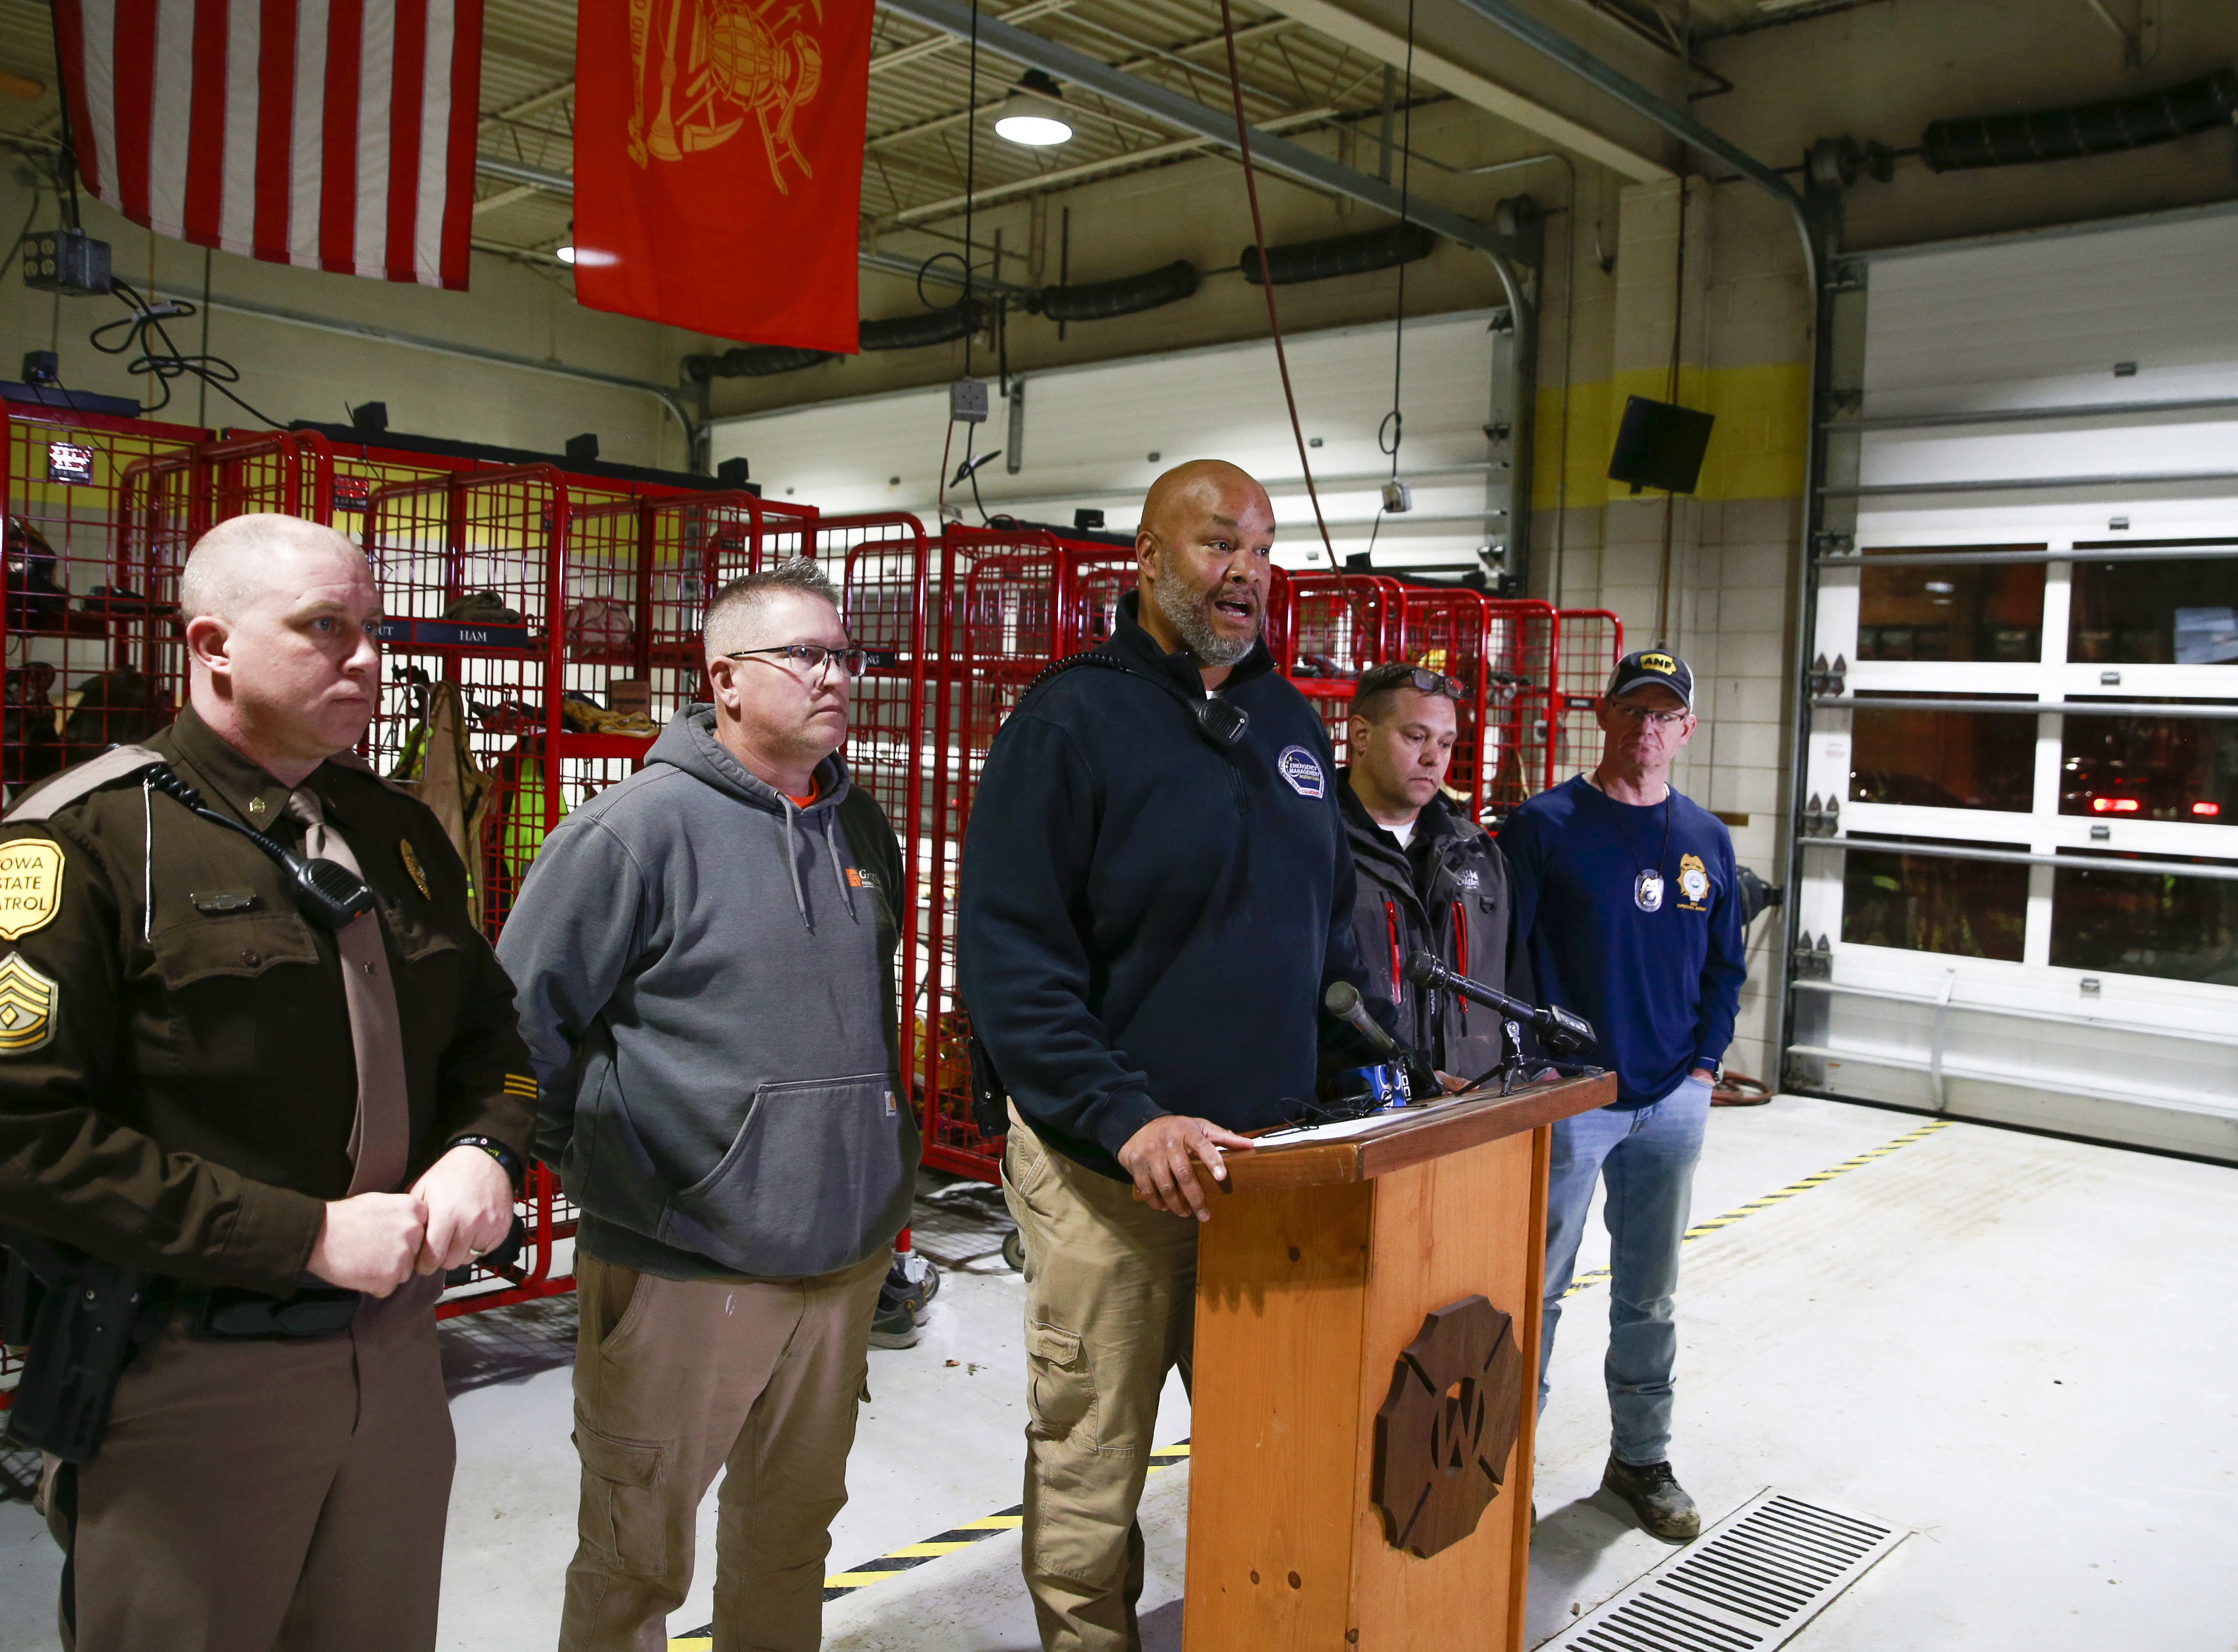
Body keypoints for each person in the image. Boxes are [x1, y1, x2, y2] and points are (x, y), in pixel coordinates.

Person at [0, 513, 531, 1649]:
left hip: (394, 1355)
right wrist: (302, 1235)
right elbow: (25, 1139)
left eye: (374, 627)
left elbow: (493, 1028)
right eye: (324, 626)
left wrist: (485, 1146)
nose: (368, 658)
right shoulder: (85, 842)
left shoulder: (396, 833)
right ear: (213, 644)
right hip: (187, 1367)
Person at [958, 459, 1378, 1652]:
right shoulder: (1065, 720)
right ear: (1145, 559)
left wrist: (1367, 1069)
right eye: (1213, 543)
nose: (1243, 568)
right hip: (1112, 1177)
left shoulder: (1290, 720)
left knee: (1275, 1448)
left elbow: (1330, 927)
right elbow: (1008, 959)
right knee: (1092, 1466)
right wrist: (1124, 1112)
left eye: (1260, 544)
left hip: (1268, 1174)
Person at [499, 558, 917, 1652]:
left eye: (845, 655)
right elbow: (511, 1033)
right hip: (684, 1262)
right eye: (808, 656)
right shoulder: (630, 832)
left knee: (791, 1537)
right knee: (638, 1555)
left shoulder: (860, 827)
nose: (838, 676)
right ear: (725, 679)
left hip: (841, 1259)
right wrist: (624, 1172)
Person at [1499, 649, 1746, 1541]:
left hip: (1673, 1098)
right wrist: (1536, 1068)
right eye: (1632, 710)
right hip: (1574, 1098)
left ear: (1685, 729)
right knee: (1539, 1290)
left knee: (1650, 1293)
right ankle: (1506, 1464)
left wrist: (1706, 1065)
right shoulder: (1546, 824)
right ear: (1602, 719)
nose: (1647, 728)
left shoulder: (1708, 839)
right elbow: (1506, 955)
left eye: (1664, 714)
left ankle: (1640, 1456)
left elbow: (1726, 964)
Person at [1339, 661, 1522, 1085]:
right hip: (1363, 1110)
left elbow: (1513, 984)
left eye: (1445, 743)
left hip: (1471, 1105)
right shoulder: (1317, 847)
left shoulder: (1478, 854)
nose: (1433, 758)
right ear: (1361, 735)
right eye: (1416, 737)